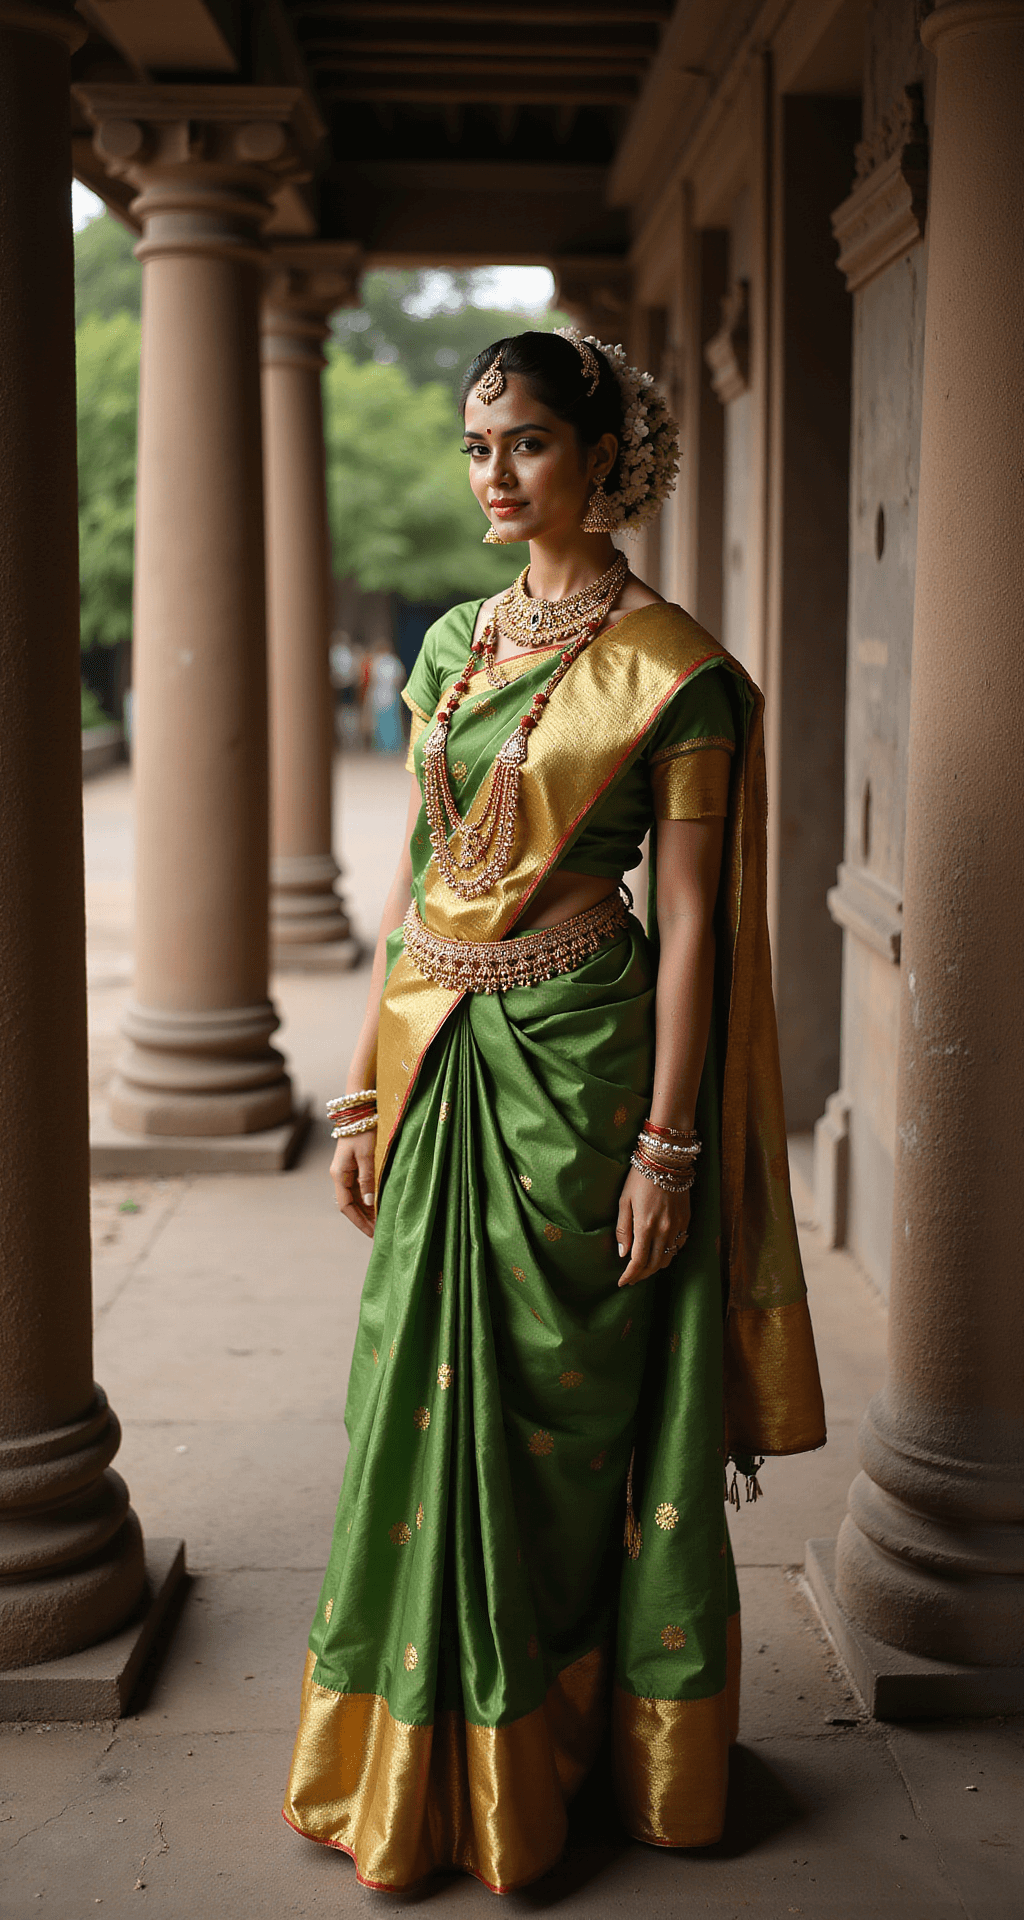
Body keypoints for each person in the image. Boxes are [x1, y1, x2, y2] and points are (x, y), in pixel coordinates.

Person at [283, 329, 826, 1893]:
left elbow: (704, 927)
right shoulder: (453, 642)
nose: (495, 476)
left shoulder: (682, 674)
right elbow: (421, 869)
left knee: (563, 1422)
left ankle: (565, 1752)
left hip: (583, 1069)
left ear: (604, 455)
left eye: (525, 443)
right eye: (477, 447)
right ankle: (413, 1754)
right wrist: (363, 1080)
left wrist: (670, 1144)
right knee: (412, 1403)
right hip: (444, 1058)